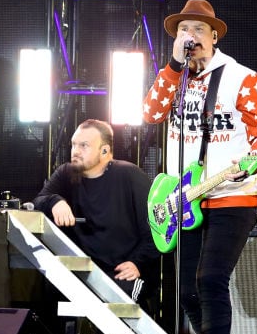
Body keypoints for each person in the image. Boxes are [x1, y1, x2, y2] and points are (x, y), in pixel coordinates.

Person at [142, 0, 257, 334]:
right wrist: (171, 68)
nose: (190, 36)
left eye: (199, 29)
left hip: (231, 193)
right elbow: (149, 113)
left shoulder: (240, 77)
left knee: (212, 279)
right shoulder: (175, 78)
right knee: (186, 291)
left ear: (214, 36)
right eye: (184, 30)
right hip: (185, 198)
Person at [32, 119, 161, 316]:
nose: (75, 151)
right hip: (84, 270)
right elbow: (38, 200)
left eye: (84, 145)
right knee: (48, 294)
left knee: (119, 304)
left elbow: (158, 228)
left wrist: (138, 263)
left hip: (124, 270)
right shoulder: (66, 173)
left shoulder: (130, 175)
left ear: (104, 151)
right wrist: (55, 201)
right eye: (74, 144)